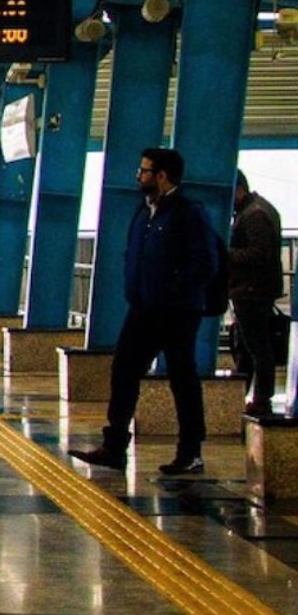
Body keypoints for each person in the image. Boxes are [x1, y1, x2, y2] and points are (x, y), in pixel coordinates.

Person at [68, 148, 221, 476]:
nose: (138, 176)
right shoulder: (144, 211)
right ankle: (114, 446)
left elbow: (205, 262)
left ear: (162, 176)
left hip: (177, 312)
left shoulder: (188, 212)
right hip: (143, 308)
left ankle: (190, 452)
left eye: (144, 171)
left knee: (182, 378)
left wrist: (174, 291)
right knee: (124, 370)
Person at [227, 170, 283, 417]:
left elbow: (259, 253)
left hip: (252, 290)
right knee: (248, 346)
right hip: (253, 289)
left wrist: (225, 253)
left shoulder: (254, 215)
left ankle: (261, 398)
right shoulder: (256, 210)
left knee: (256, 347)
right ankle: (250, 397)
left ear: (239, 189)